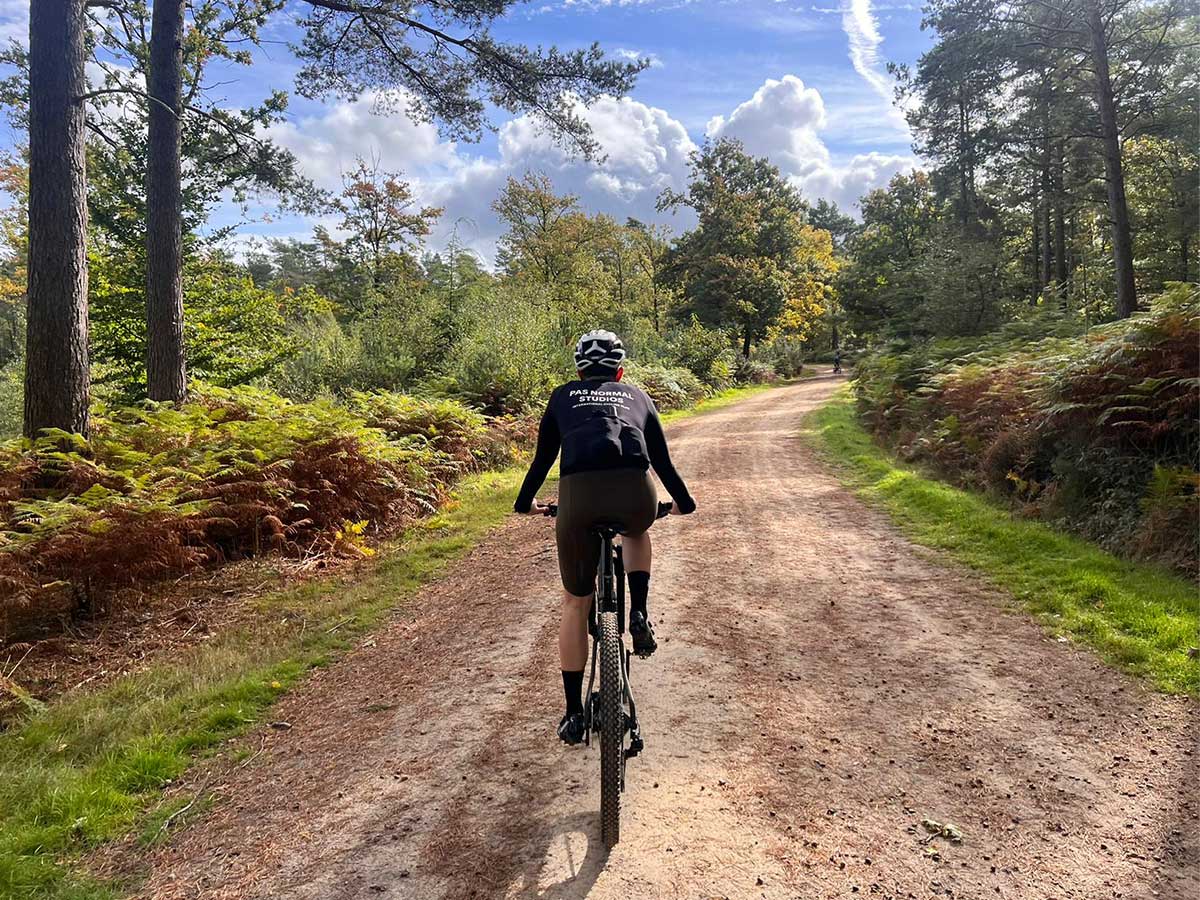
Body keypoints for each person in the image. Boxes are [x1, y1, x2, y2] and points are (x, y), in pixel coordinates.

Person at [514, 330, 696, 745]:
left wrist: (525, 502)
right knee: (637, 528)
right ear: (620, 370)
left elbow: (544, 459)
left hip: (579, 497)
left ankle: (574, 714)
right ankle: (639, 613)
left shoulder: (562, 397)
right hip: (635, 491)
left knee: (576, 602)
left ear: (579, 369)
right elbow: (662, 461)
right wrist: (684, 502)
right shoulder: (637, 396)